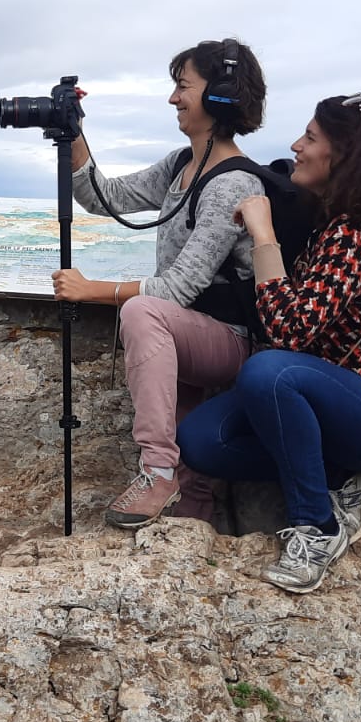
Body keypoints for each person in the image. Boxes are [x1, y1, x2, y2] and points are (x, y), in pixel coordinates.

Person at [176, 94, 361, 593]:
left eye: (311, 139)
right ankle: (342, 476)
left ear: (345, 156)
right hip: (337, 414)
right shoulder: (330, 228)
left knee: (270, 370)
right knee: (203, 440)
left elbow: (289, 332)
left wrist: (263, 233)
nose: (296, 146)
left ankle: (317, 528)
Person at [53, 38, 268, 528]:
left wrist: (93, 290)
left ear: (220, 96)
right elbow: (101, 197)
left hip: (228, 340)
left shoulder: (233, 184)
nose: (174, 98)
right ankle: (191, 524)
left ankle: (156, 469)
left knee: (142, 310)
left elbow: (176, 291)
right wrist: (75, 132)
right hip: (188, 334)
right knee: (190, 445)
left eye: (183, 86)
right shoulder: (179, 164)